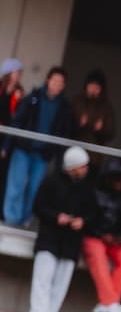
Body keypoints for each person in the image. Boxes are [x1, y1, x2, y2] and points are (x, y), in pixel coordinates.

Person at [26, 147, 93, 312]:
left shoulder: (86, 188)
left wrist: (82, 221)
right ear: (74, 167)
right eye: (82, 166)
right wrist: (57, 217)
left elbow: (94, 215)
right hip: (49, 239)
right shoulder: (51, 181)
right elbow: (38, 207)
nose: (85, 169)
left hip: (70, 244)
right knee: (42, 280)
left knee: (60, 284)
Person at [4, 66, 73, 226]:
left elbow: (64, 135)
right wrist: (6, 146)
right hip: (23, 148)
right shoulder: (33, 98)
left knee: (34, 189)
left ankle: (25, 221)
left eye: (61, 82)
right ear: (48, 80)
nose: (57, 84)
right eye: (55, 80)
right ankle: (11, 220)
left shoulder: (65, 107)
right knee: (16, 185)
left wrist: (60, 159)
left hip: (43, 154)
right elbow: (17, 121)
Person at [80, 159, 121, 312]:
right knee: (98, 256)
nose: (120, 183)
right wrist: (102, 234)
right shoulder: (94, 194)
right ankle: (112, 303)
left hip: (115, 241)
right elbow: (88, 220)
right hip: (95, 237)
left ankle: (106, 304)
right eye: (116, 179)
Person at [71, 68, 115, 146]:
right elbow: (65, 125)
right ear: (86, 85)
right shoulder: (77, 101)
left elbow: (111, 133)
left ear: (101, 89)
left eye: (97, 86)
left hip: (94, 150)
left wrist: (100, 130)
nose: (93, 88)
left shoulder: (106, 107)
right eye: (91, 85)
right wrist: (78, 124)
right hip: (74, 145)